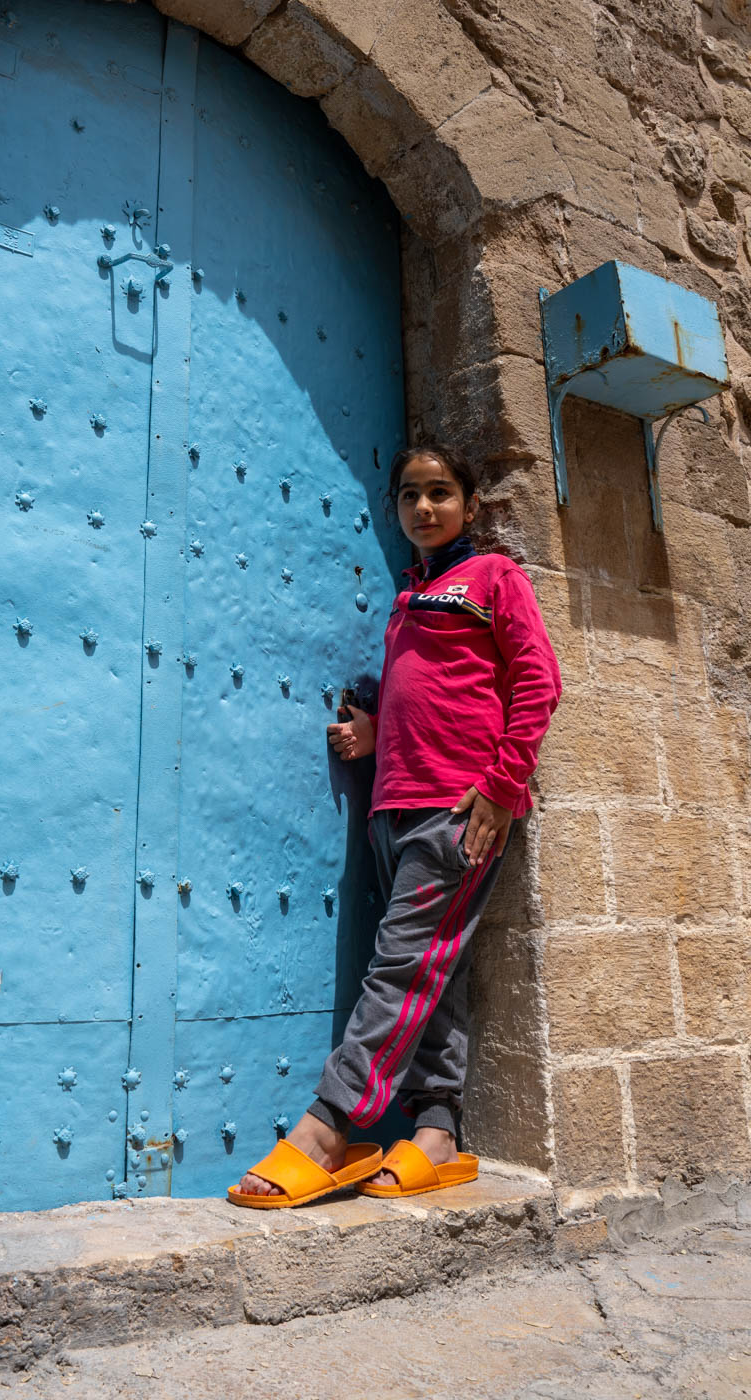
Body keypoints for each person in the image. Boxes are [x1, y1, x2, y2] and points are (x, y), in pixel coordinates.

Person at [228, 442, 562, 1207]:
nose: (424, 506)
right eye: (409, 495)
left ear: (470, 505)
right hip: (393, 807)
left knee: (400, 968)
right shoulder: (411, 595)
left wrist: (502, 788)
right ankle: (437, 1132)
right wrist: (377, 734)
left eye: (440, 492)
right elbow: (436, 693)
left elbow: (539, 681)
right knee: (432, 973)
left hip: (459, 809)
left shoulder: (493, 576)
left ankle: (328, 1126)